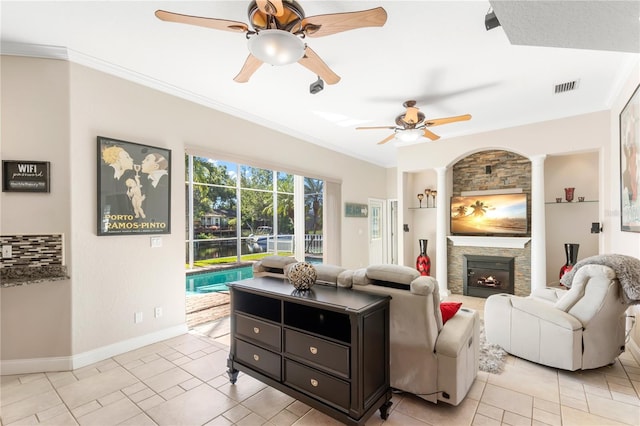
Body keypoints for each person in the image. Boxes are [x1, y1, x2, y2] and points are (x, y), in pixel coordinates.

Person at [141, 152, 169, 227]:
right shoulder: (148, 181)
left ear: (156, 166)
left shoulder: (166, 180)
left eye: (147, 160)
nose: (142, 161)